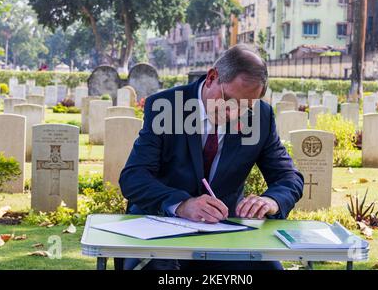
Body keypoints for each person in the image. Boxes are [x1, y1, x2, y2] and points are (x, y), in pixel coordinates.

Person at [119, 44, 304, 270]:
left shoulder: (261, 117)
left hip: (224, 233)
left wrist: (271, 201)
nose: (234, 114)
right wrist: (182, 204)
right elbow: (133, 178)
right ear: (211, 77)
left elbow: (289, 177)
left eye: (246, 107)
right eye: (229, 101)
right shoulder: (165, 107)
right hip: (161, 229)